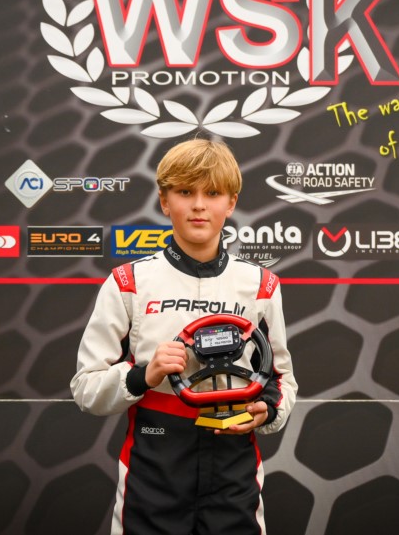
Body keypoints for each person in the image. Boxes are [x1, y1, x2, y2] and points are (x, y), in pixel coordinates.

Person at [70, 138, 297, 535]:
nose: (198, 206)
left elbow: (281, 380)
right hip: (153, 468)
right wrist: (143, 374)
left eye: (213, 193)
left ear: (231, 203)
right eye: (185, 192)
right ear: (164, 201)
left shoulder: (260, 285)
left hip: (234, 469)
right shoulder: (128, 282)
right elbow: (85, 388)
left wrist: (267, 410)